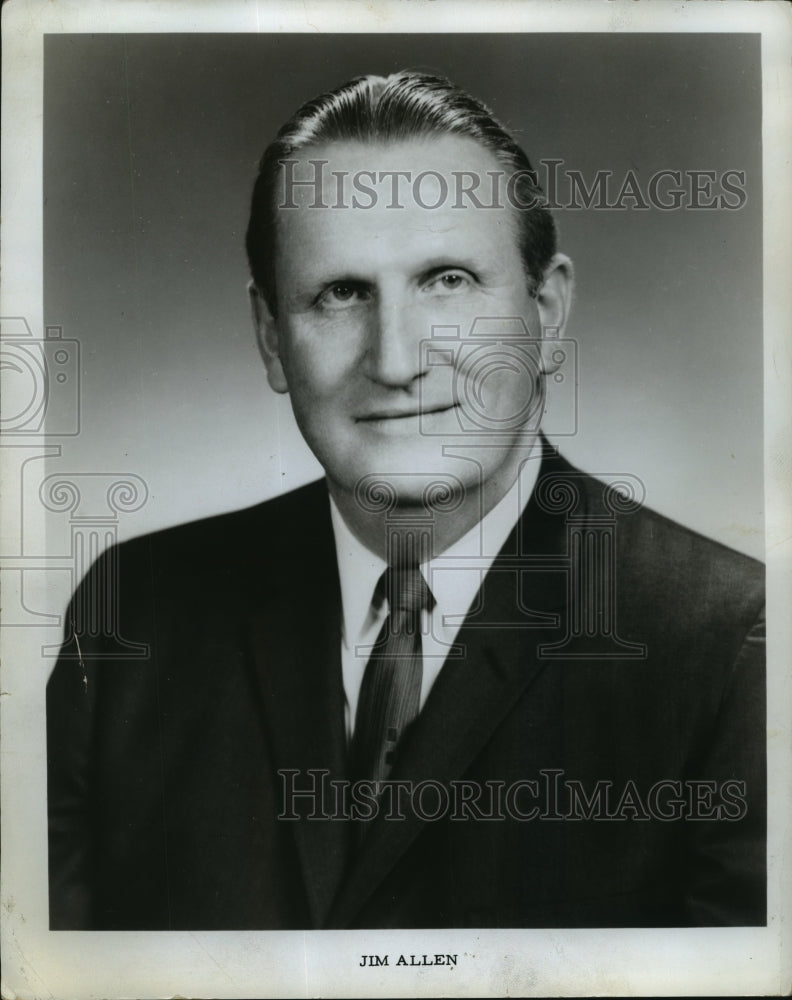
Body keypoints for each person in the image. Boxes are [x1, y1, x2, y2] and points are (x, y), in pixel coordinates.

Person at [47, 70, 765, 930]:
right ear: (272, 337)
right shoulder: (137, 614)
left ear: (548, 310)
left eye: (448, 281)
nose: (394, 360)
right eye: (341, 293)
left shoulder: (733, 644)